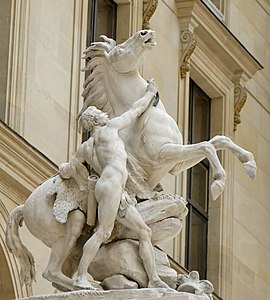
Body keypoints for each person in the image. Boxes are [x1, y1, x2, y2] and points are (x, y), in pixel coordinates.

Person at [62, 80, 169, 289]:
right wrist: (150, 94)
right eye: (100, 113)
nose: (105, 114)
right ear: (96, 119)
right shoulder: (110, 128)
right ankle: (81, 276)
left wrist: (63, 169)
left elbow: (68, 169)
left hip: (116, 190)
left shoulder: (86, 147)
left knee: (144, 231)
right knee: (103, 232)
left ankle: (154, 278)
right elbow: (134, 111)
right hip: (111, 187)